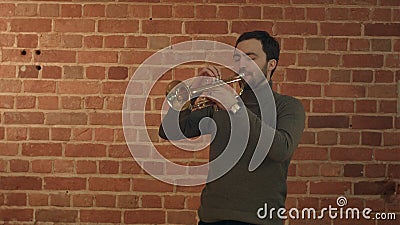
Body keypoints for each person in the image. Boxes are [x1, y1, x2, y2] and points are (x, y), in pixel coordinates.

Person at [159, 31, 305, 225]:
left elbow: (281, 149)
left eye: (250, 58)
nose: (242, 64)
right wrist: (193, 92)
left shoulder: (287, 106)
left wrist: (234, 106)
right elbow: (169, 131)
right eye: (237, 59)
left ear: (271, 64)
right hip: (212, 217)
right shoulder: (219, 105)